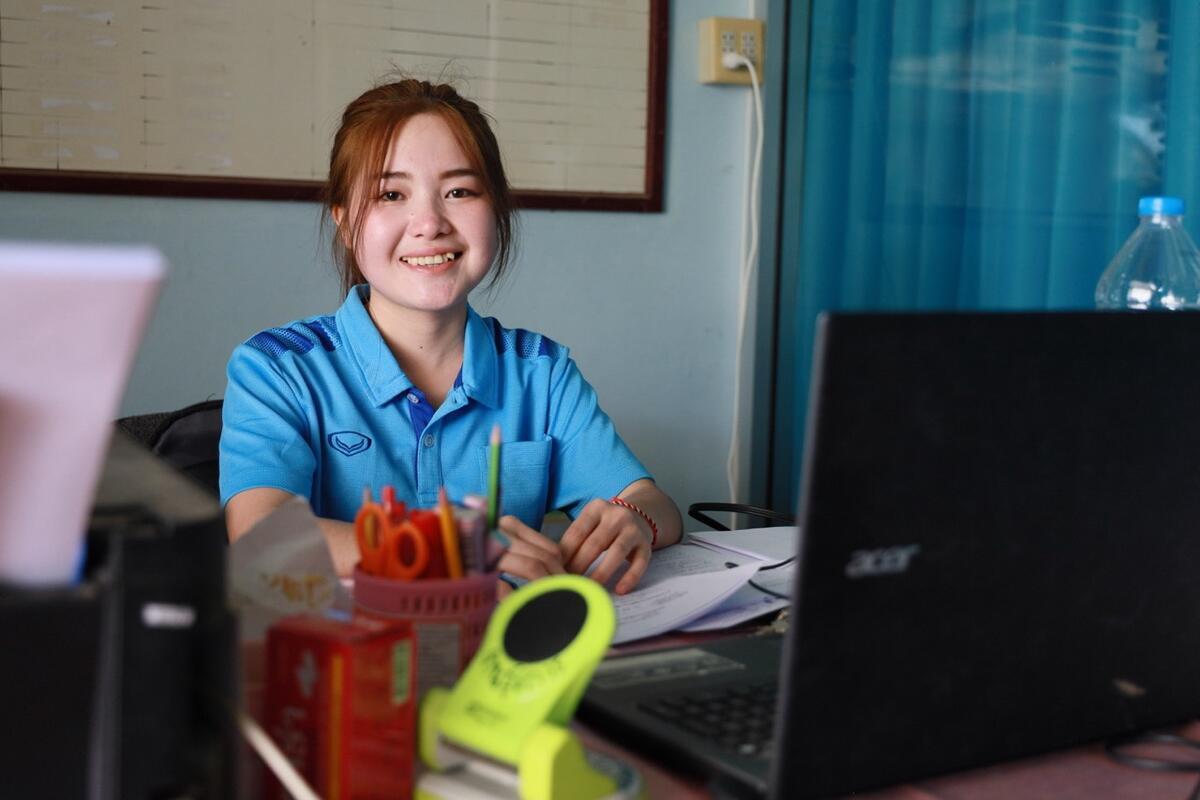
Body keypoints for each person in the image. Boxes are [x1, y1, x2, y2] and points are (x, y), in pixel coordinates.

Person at [219, 78, 681, 594]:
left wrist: (635, 517)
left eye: (459, 191)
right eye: (391, 194)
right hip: (348, 660)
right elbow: (262, 533)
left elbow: (648, 498)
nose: (429, 223)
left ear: (497, 211)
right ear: (346, 225)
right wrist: (449, 548)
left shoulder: (541, 370)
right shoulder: (278, 366)